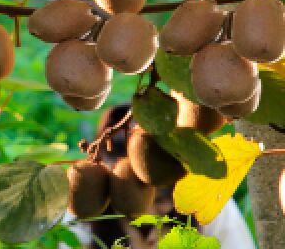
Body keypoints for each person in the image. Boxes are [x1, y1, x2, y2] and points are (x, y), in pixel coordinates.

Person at [57, 103, 256, 248]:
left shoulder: (206, 201)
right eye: (135, 189)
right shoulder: (83, 215)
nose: (149, 209)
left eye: (159, 197)